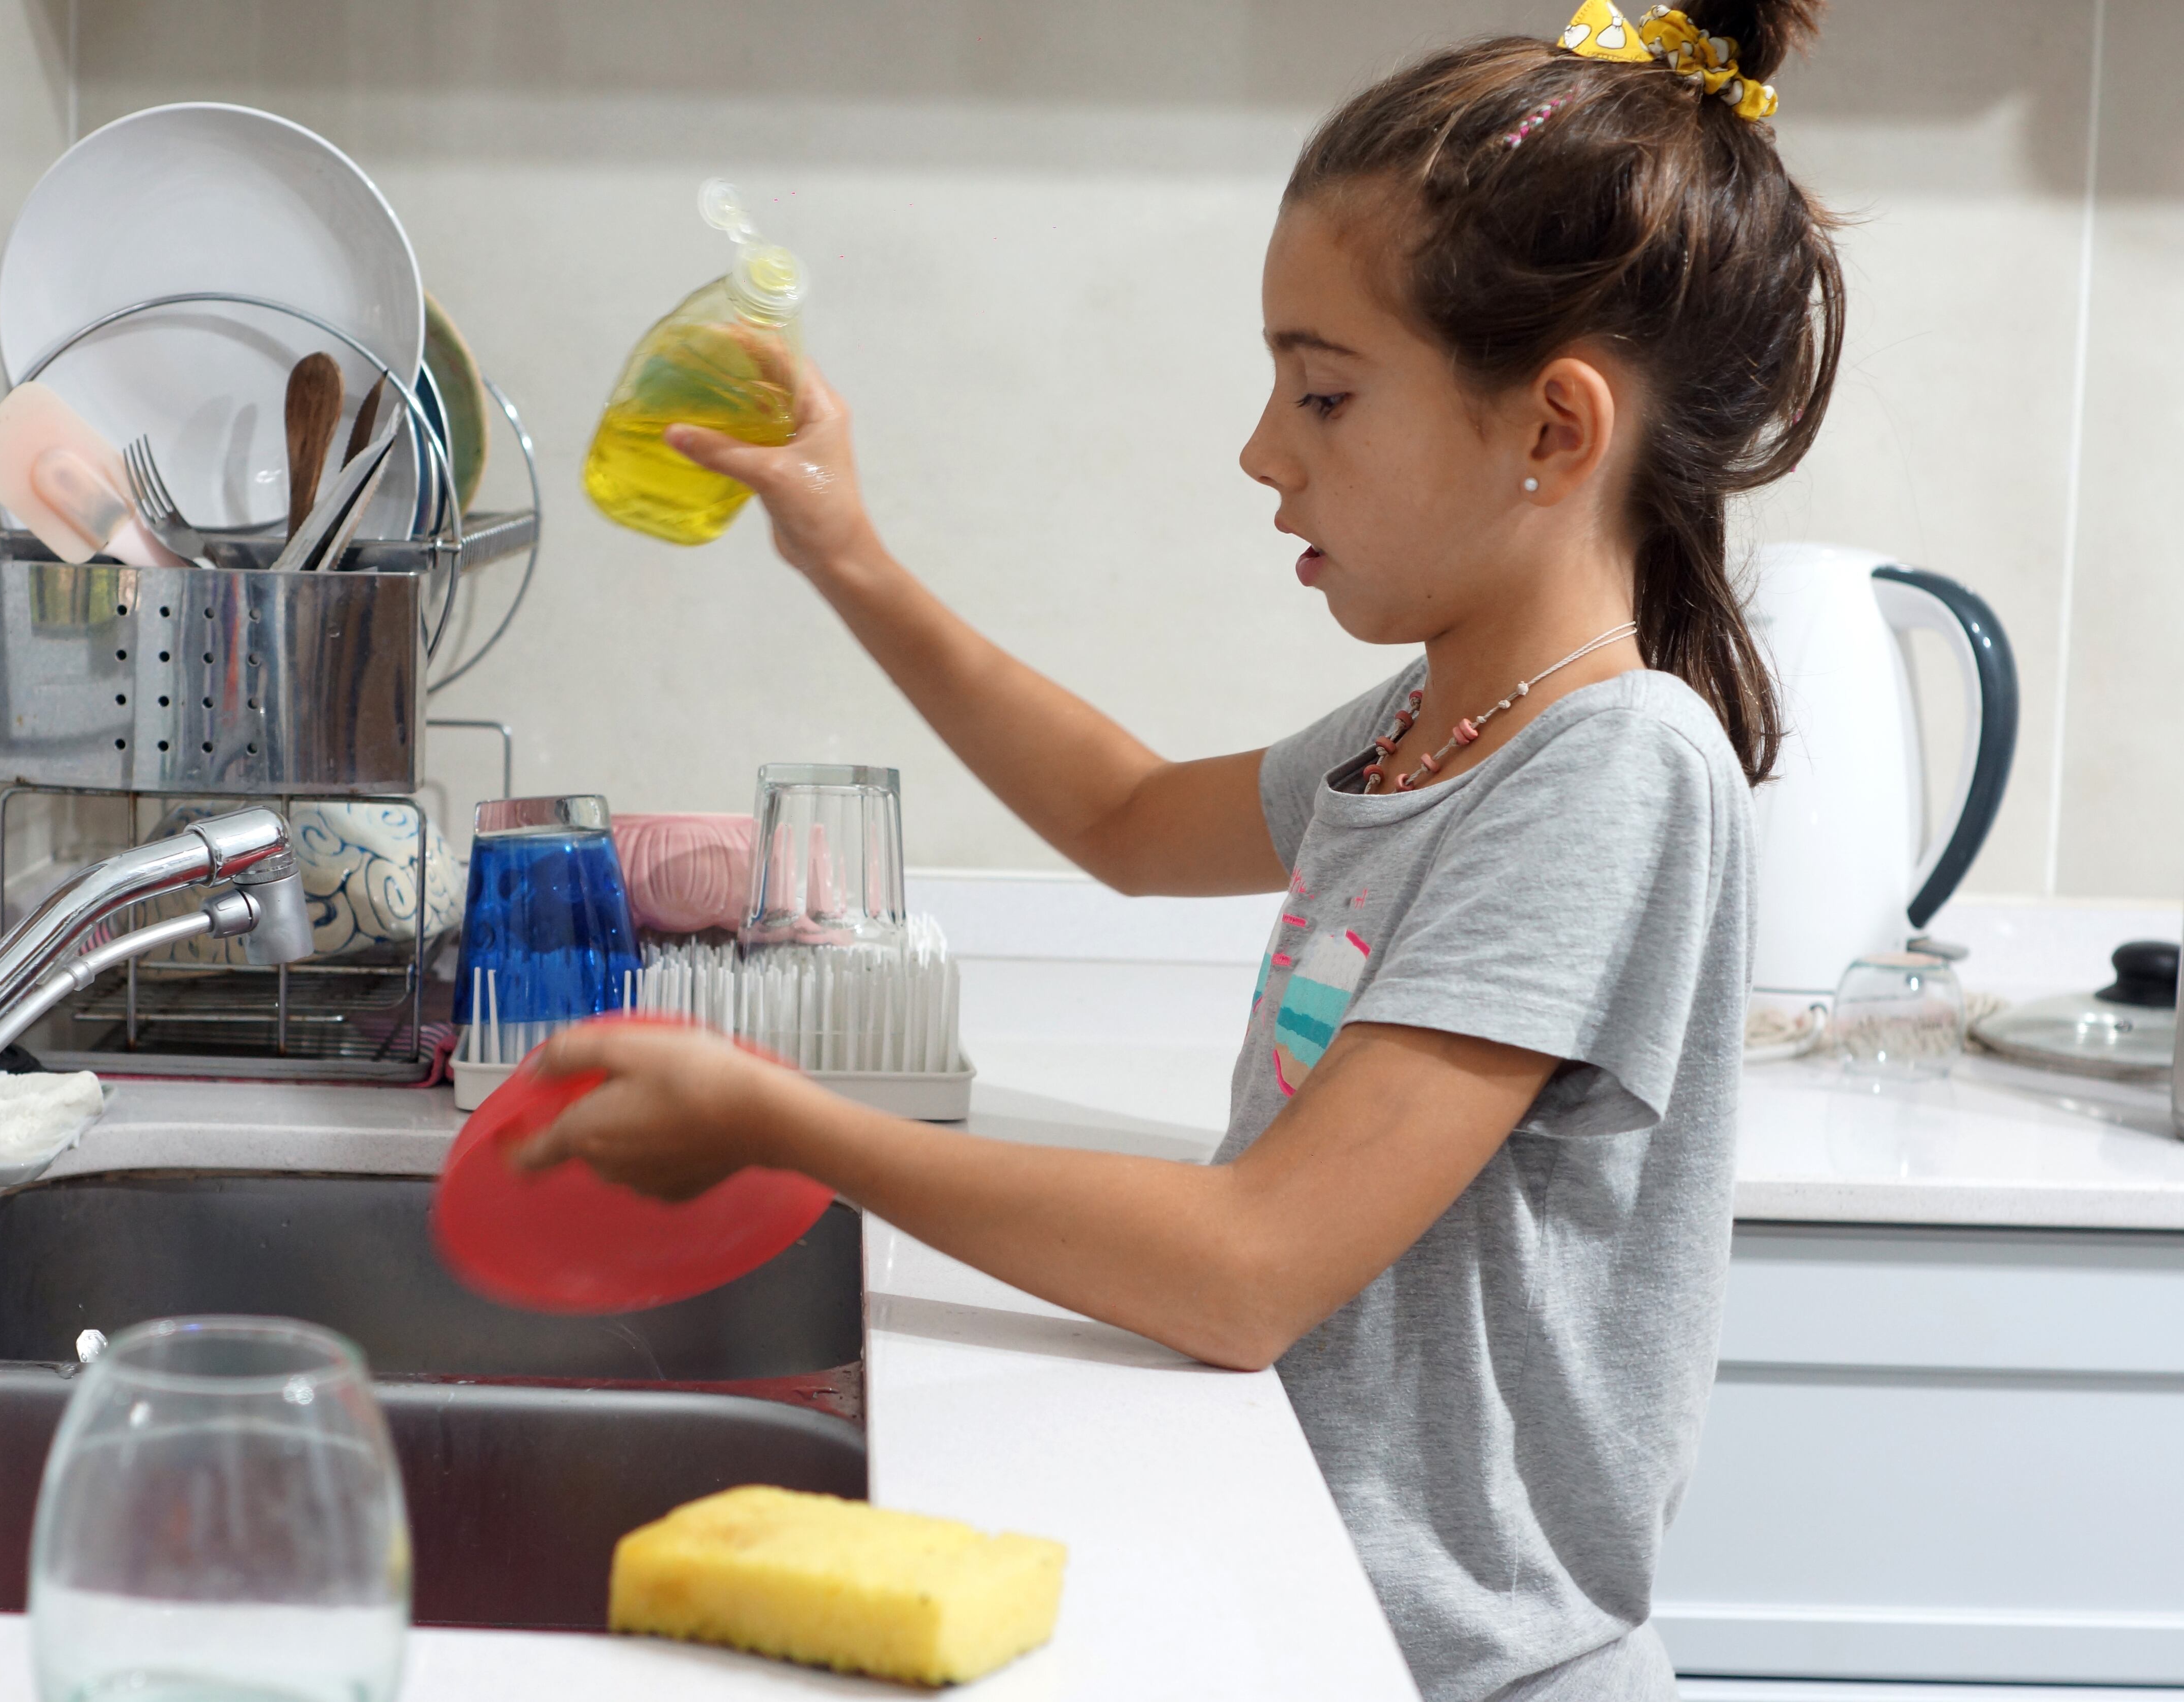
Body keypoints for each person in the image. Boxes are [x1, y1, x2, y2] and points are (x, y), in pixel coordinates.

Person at [516, 2, 1841, 1694]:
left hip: (1473, 1673)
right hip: (1330, 1611)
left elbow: (1251, 1269)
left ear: (1552, 433)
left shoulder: (1613, 768)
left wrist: (788, 1127)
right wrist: (849, 555)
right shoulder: (1429, 726)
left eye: (1327, 393)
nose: (1263, 450)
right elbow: (1129, 821)